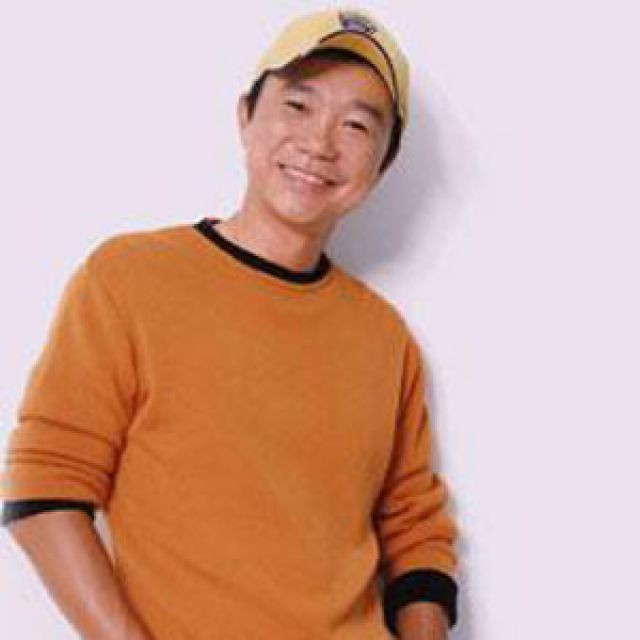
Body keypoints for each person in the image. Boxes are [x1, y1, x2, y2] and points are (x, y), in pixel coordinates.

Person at [1, 7, 460, 640]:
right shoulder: (129, 279)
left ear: (382, 165)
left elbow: (416, 530)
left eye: (357, 124)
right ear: (246, 116)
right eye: (298, 105)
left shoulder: (384, 339)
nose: (320, 142)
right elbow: (43, 487)